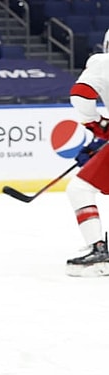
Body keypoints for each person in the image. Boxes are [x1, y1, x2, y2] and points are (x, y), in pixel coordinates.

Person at [65, 34, 109, 277]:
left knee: (79, 189)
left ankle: (98, 250)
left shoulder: (103, 61)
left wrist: (96, 123)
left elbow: (81, 95)